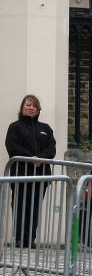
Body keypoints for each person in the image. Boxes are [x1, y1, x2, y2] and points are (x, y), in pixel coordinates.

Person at [4, 94, 57, 247]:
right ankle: (20, 238)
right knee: (20, 205)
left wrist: (40, 158)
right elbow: (12, 147)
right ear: (22, 108)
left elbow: (51, 148)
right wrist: (31, 158)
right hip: (21, 174)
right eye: (28, 105)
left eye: (34, 105)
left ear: (38, 109)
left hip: (41, 175)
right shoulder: (15, 127)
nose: (31, 108)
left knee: (35, 207)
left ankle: (30, 239)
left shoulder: (45, 128)